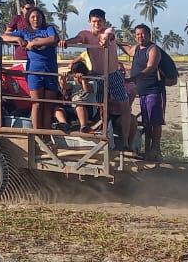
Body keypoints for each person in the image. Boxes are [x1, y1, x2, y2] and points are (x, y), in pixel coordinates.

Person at [63, 9, 132, 143]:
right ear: (90, 21)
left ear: (104, 21)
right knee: (101, 107)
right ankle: (103, 136)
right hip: (96, 76)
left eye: (99, 21)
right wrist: (65, 42)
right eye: (94, 21)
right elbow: (77, 39)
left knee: (125, 106)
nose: (97, 23)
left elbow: (108, 36)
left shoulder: (109, 30)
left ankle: (125, 141)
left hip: (113, 74)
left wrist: (105, 40)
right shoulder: (86, 34)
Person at [1, 6, 62, 132]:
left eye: (38, 16)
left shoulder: (49, 29)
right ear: (28, 19)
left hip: (50, 71)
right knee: (37, 104)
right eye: (33, 17)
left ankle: (47, 134)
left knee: (48, 105)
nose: (36, 19)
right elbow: (4, 37)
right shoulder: (25, 32)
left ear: (42, 18)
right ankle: (36, 134)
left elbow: (53, 39)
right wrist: (17, 38)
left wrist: (34, 43)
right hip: (34, 72)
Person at [118, 24, 164, 161]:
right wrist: (116, 41)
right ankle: (149, 150)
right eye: (137, 34)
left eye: (142, 34)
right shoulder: (137, 48)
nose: (140, 37)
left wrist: (134, 78)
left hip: (153, 90)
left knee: (155, 121)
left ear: (149, 35)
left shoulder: (153, 49)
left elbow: (151, 67)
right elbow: (128, 51)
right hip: (141, 91)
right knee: (146, 122)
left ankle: (155, 148)